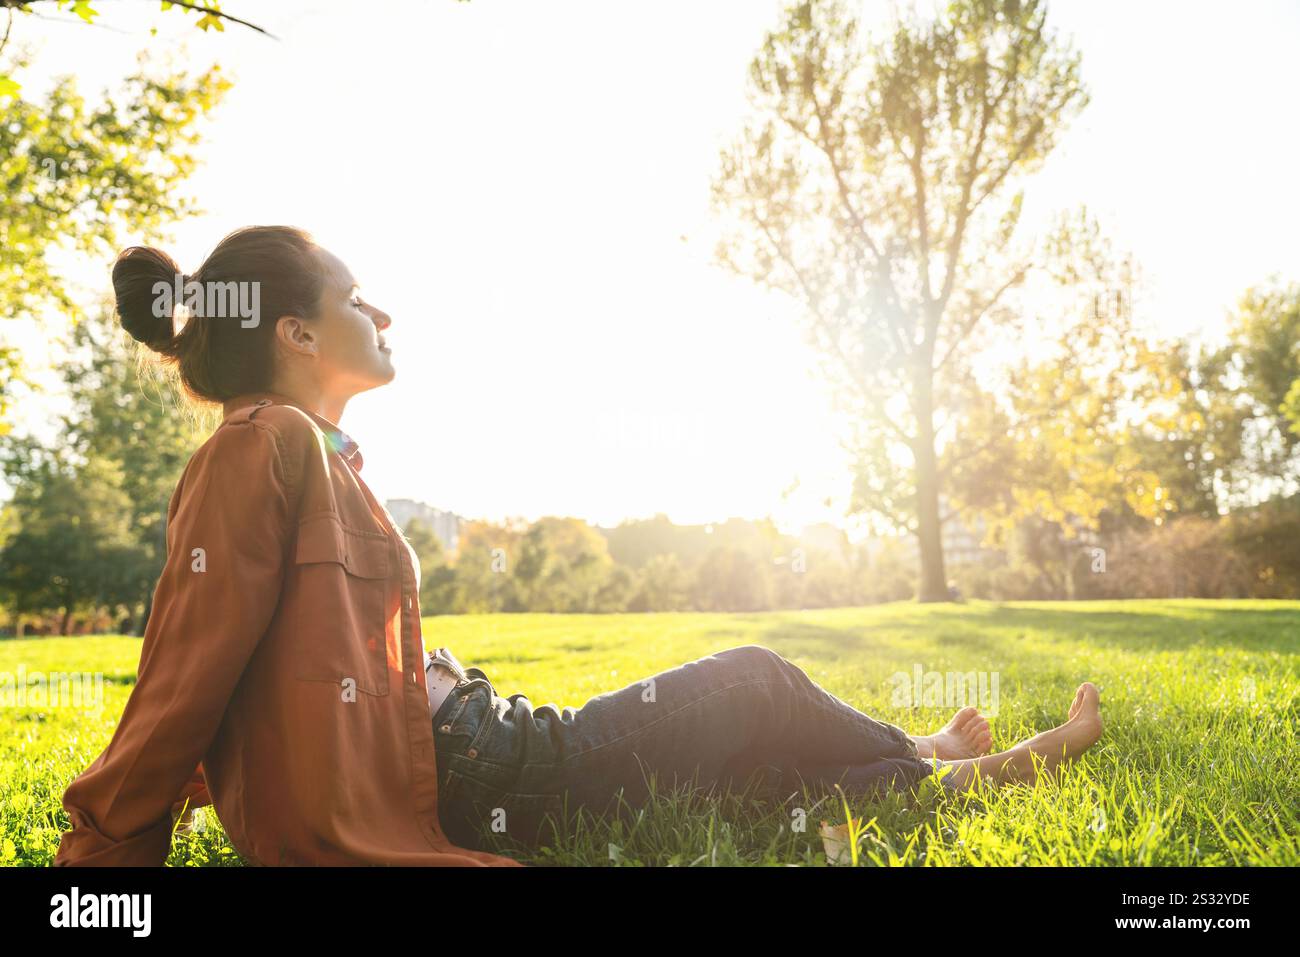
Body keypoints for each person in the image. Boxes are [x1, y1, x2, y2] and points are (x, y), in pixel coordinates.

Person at [54, 225, 1103, 866]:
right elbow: (190, 665)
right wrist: (108, 853)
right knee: (755, 679)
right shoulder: (263, 443)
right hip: (479, 761)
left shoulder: (317, 454)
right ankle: (922, 752)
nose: (381, 309)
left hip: (479, 742)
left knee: (746, 779)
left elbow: (267, 673)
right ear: (294, 333)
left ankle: (981, 773)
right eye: (352, 296)